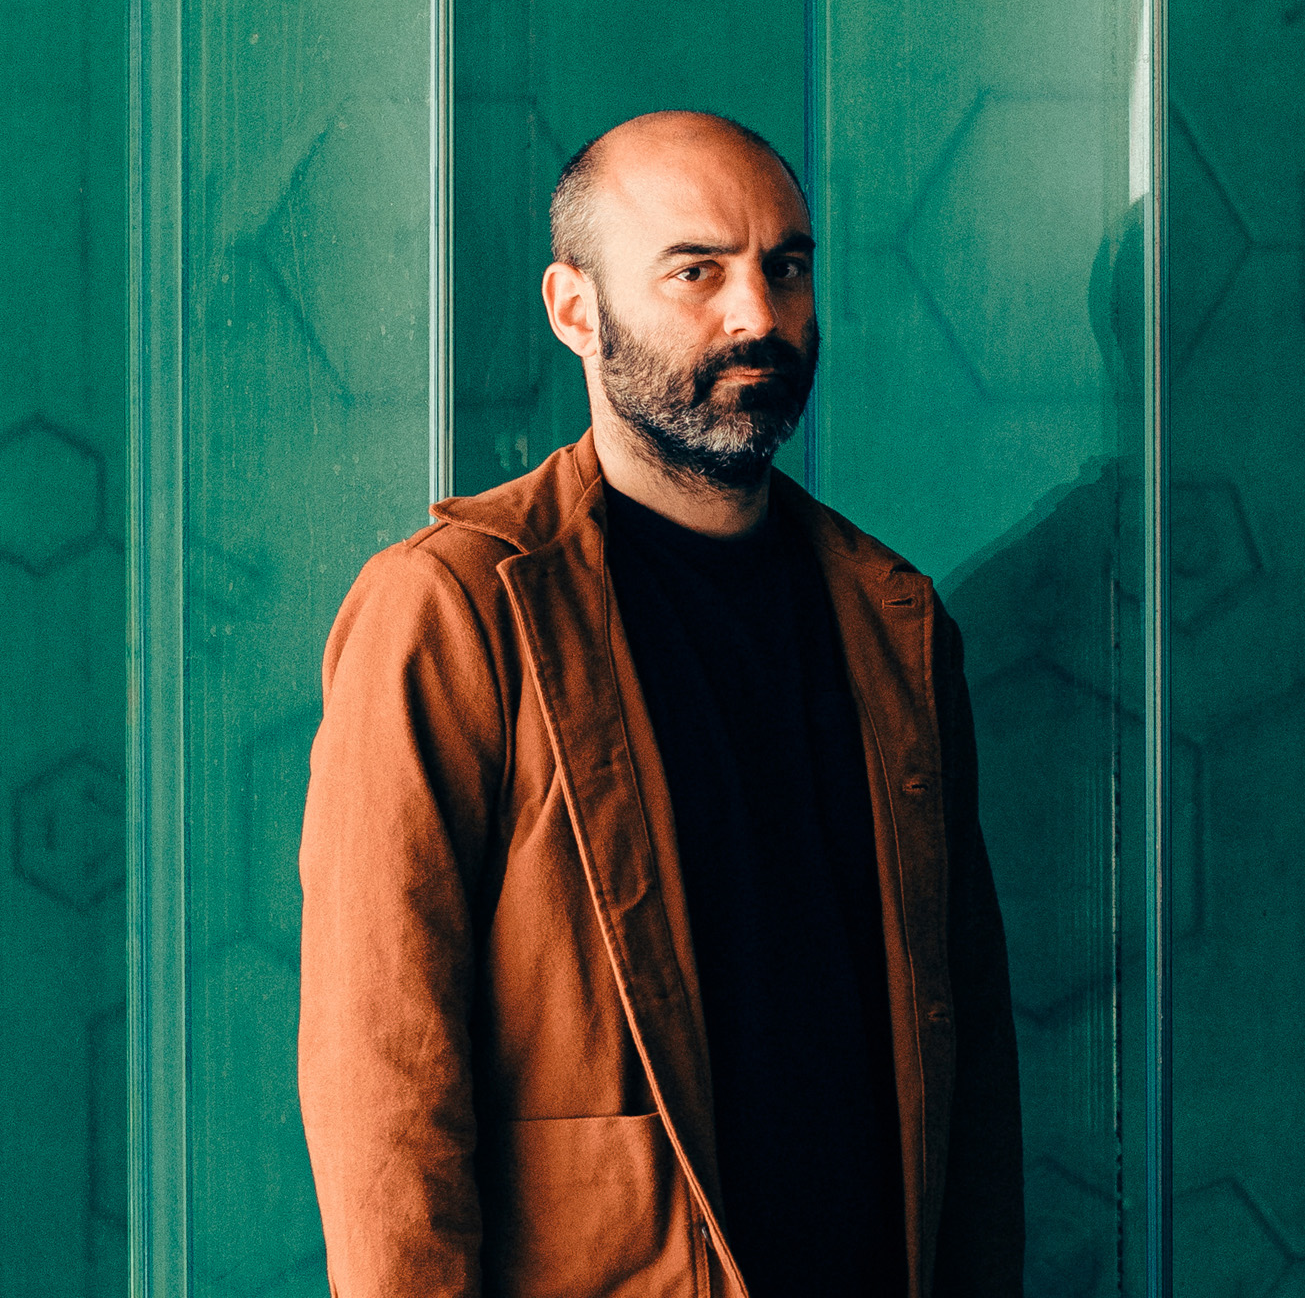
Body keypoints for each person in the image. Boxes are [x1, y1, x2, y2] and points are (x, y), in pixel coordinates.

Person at [298, 111, 1021, 1297]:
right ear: (574, 308)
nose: (759, 316)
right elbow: (384, 1085)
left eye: (785, 267)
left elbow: (972, 1065)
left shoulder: (894, 618)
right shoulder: (452, 610)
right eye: (698, 271)